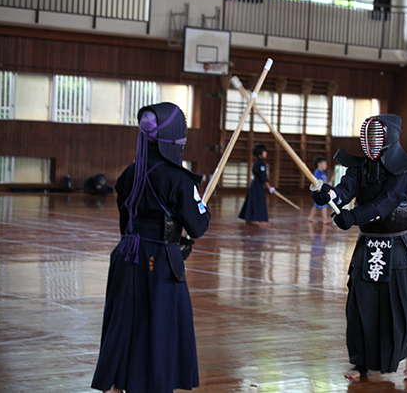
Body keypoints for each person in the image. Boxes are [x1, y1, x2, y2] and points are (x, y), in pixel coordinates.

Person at [91, 102, 211, 393]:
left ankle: (117, 383)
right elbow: (198, 227)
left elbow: (126, 219)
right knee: (158, 324)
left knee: (126, 320)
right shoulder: (179, 179)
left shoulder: (130, 173)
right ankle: (154, 385)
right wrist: (200, 208)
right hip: (158, 262)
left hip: (127, 256)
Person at [312, 114, 407, 380]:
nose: (371, 143)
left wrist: (353, 217)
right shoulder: (361, 168)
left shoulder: (404, 173)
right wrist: (328, 194)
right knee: (359, 305)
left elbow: (385, 205)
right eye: (368, 137)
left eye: (377, 136)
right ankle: (360, 363)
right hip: (368, 247)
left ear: (390, 138)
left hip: (397, 249)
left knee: (399, 305)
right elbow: (344, 191)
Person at [239, 143, 275, 228]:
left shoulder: (257, 162)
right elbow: (263, 177)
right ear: (260, 153)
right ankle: (261, 221)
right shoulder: (261, 163)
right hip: (258, 185)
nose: (266, 153)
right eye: (264, 151)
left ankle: (248, 219)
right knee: (260, 202)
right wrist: (269, 187)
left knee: (252, 201)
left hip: (254, 184)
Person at [308, 155, 332, 224]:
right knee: (324, 205)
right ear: (319, 164)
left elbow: (325, 182)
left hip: (322, 192)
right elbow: (318, 181)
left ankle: (310, 218)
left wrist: (328, 184)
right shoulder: (317, 172)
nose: (326, 166)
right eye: (324, 164)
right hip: (318, 192)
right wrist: (327, 183)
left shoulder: (324, 173)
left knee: (316, 206)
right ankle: (325, 220)